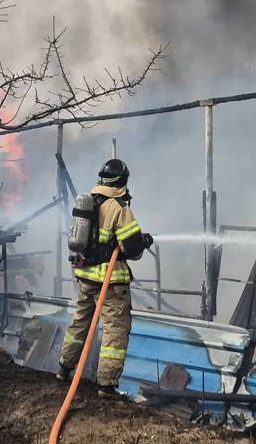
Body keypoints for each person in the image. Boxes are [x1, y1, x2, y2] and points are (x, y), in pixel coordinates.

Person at [57, 159, 153, 399]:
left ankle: (63, 368)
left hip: (86, 277)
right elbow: (132, 249)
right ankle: (107, 386)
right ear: (122, 181)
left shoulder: (90, 202)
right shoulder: (118, 208)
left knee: (80, 322)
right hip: (110, 283)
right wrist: (145, 241)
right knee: (115, 329)